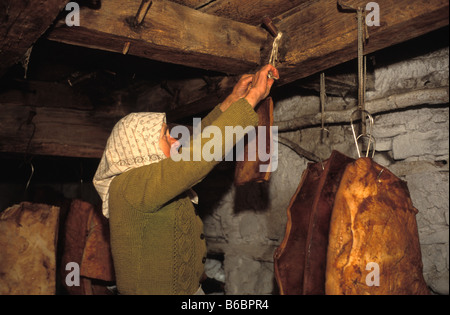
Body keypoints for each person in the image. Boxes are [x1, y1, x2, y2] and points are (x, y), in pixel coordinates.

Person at [93, 64, 279, 295]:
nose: (176, 141)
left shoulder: (147, 182)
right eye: (165, 136)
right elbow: (195, 161)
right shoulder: (129, 186)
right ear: (139, 148)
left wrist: (231, 101)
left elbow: (194, 150)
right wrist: (252, 97)